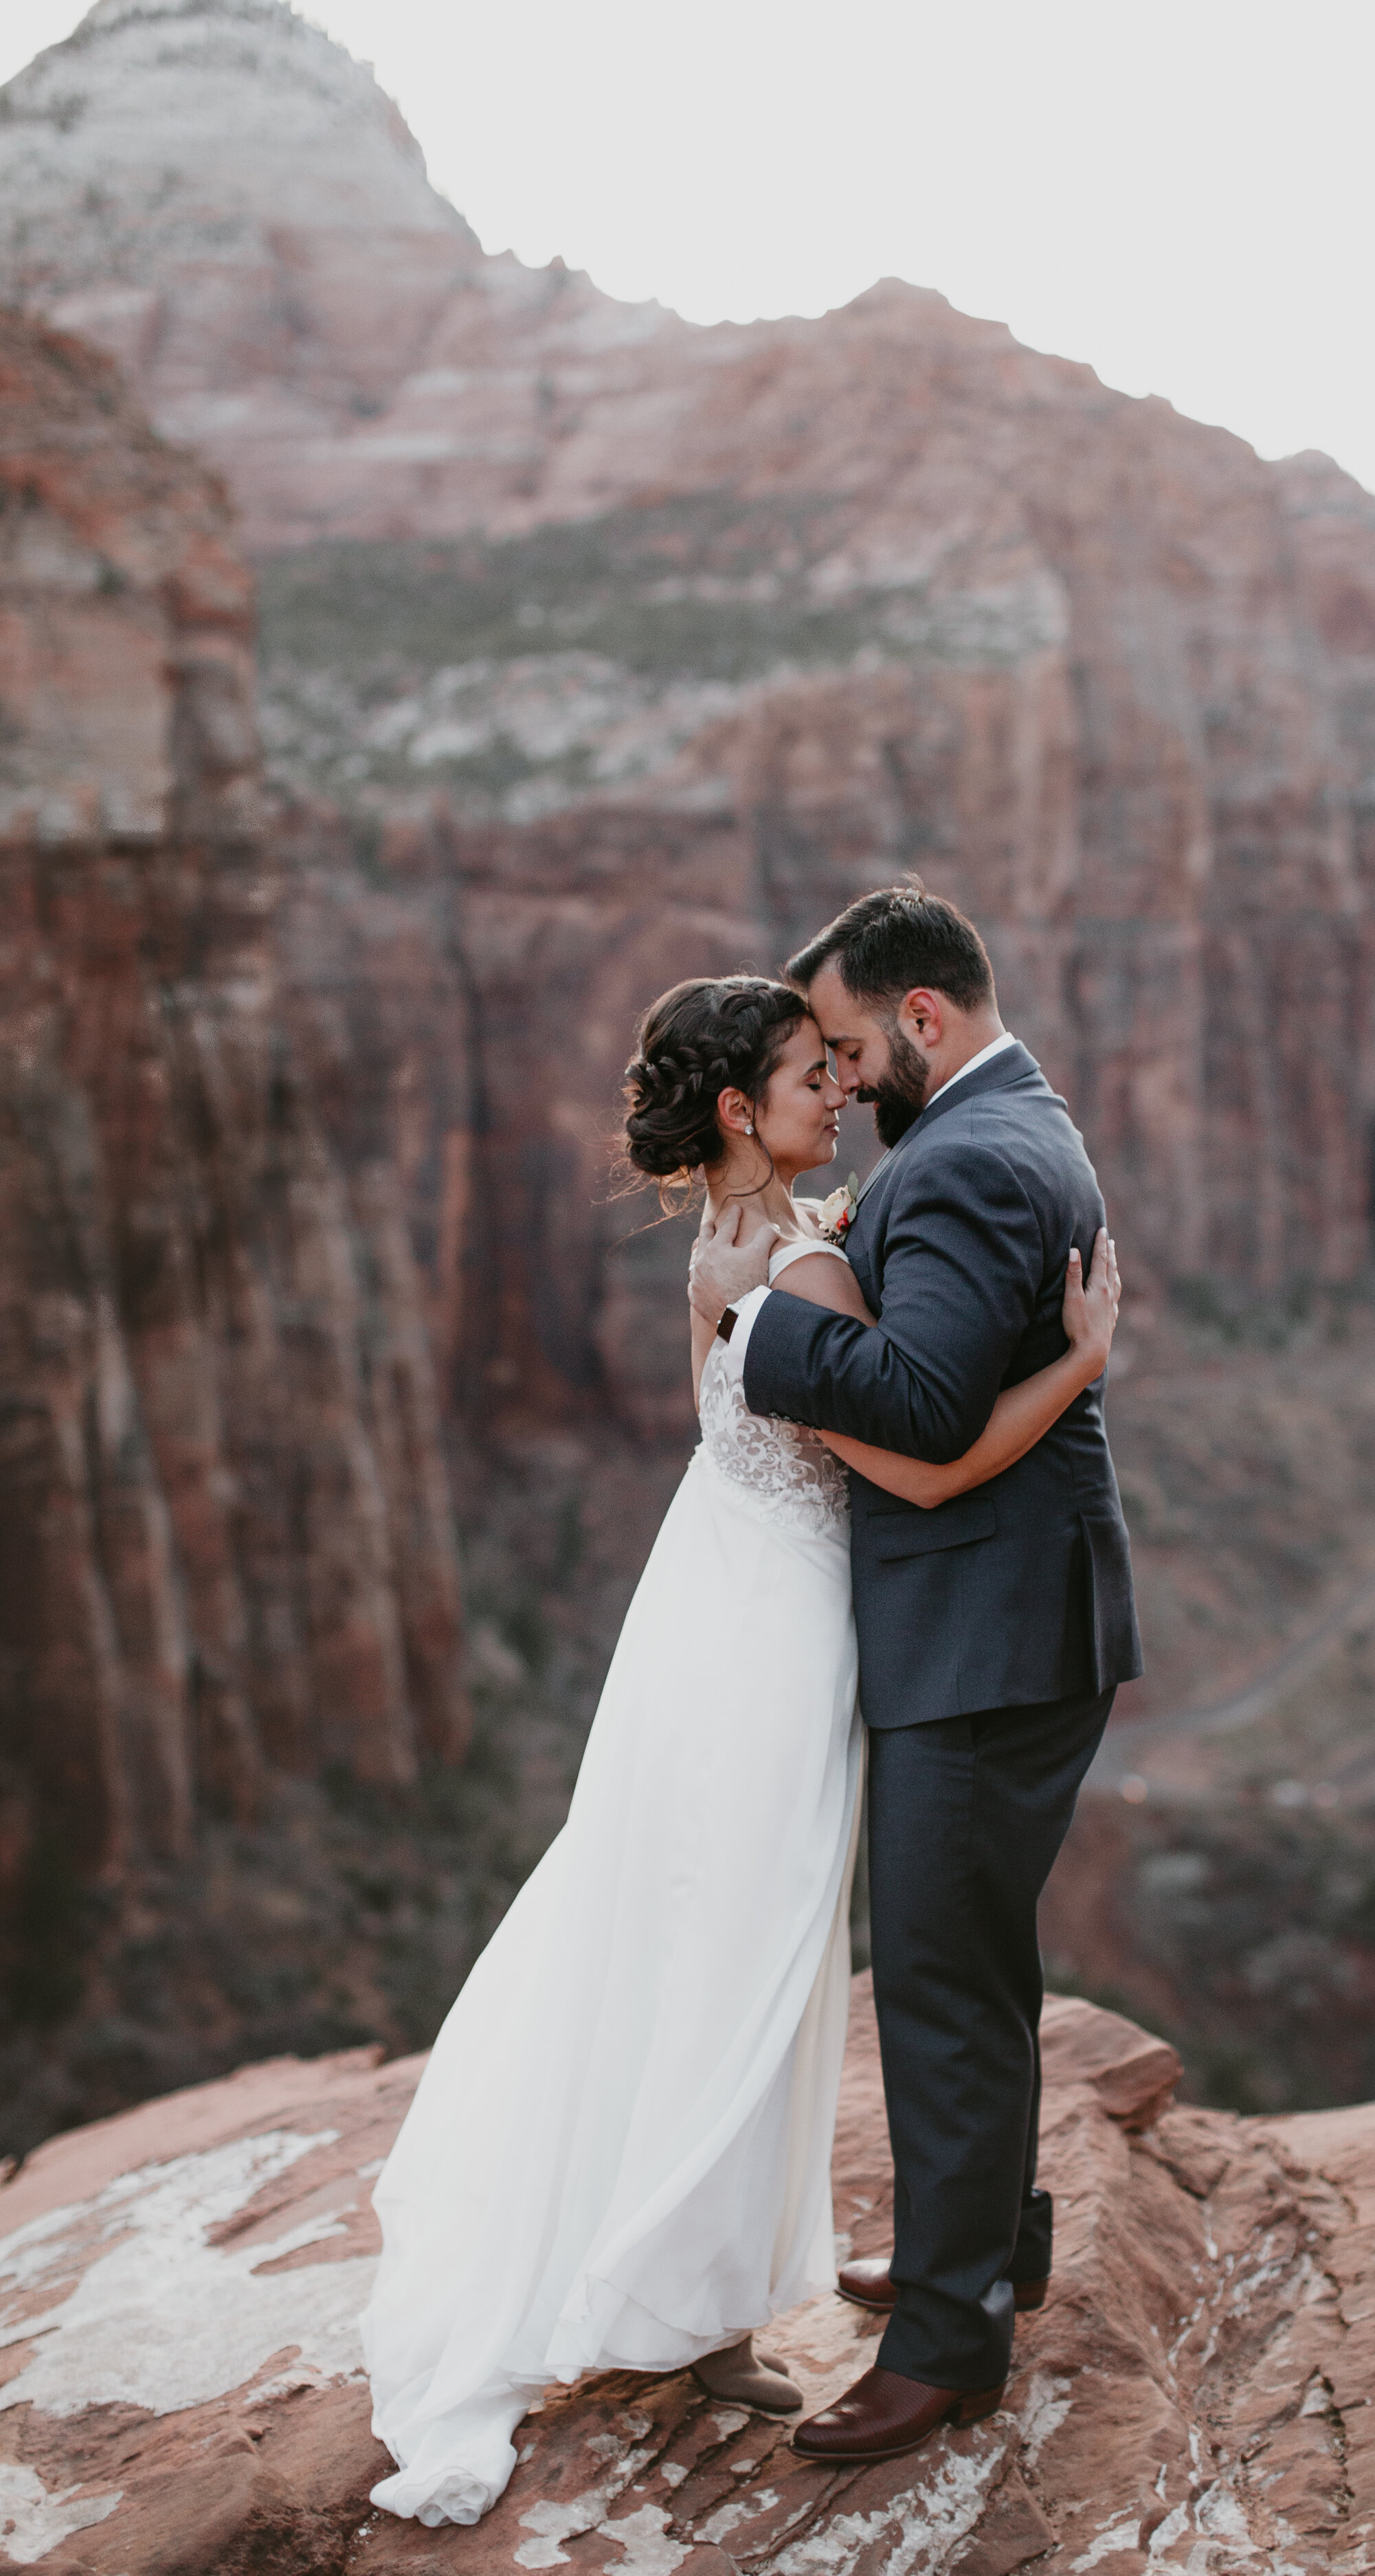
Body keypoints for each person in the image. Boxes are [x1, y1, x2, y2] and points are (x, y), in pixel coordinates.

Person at [361, 971, 1120, 2527]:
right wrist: (1080, 1360)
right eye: (805, 1072)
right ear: (735, 1109)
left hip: (705, 1614)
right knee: (755, 1968)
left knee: (706, 1948)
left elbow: (733, 1429)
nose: (835, 1088)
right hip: (778, 1647)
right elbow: (914, 1478)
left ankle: (685, 2292)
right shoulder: (798, 1268)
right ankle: (683, 2299)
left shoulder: (720, 1248)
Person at [689, 888, 1142, 2467]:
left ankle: (947, 2342)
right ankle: (983, 2243)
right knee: (970, 1960)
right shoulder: (1009, 1120)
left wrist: (748, 1328)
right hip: (1011, 1621)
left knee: (943, 1984)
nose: (843, 1069)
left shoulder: (956, 1161)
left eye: (849, 1041)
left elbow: (926, 1417)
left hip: (985, 1633)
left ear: (922, 1020)